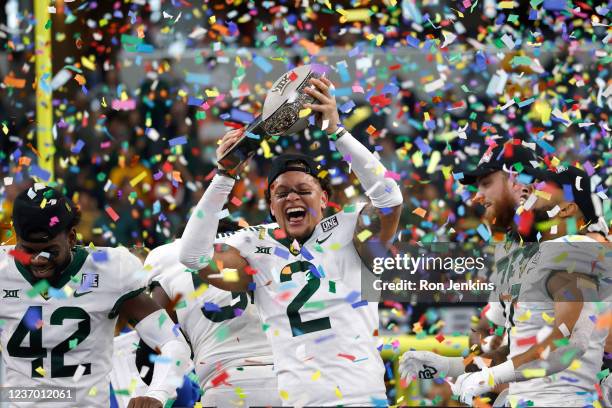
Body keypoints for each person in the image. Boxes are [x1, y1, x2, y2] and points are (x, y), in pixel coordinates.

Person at [179, 76, 403, 405]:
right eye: (281, 193)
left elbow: (390, 198)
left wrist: (337, 133)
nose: (291, 198)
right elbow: (193, 258)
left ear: (325, 198)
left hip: (361, 399)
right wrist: (225, 176)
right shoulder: (254, 246)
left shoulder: (352, 229)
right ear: (270, 206)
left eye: (303, 190)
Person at [0, 185, 192, 408]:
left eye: (48, 250)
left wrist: (157, 394)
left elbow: (171, 340)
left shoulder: (110, 270)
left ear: (71, 238)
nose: (38, 260)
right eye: (27, 250)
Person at [452, 165, 610, 407]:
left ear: (567, 207)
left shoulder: (575, 249)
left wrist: (494, 376)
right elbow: (513, 342)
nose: (529, 190)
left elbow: (570, 343)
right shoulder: (534, 253)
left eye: (542, 186)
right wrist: (451, 366)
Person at [399, 140, 538, 383]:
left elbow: (560, 347)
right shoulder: (509, 250)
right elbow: (496, 338)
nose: (478, 197)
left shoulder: (569, 241)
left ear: (518, 181)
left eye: (486, 183)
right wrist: (450, 366)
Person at [142, 231, 281, 407]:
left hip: (225, 385)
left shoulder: (164, 255)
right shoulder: (256, 241)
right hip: (289, 377)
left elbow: (157, 342)